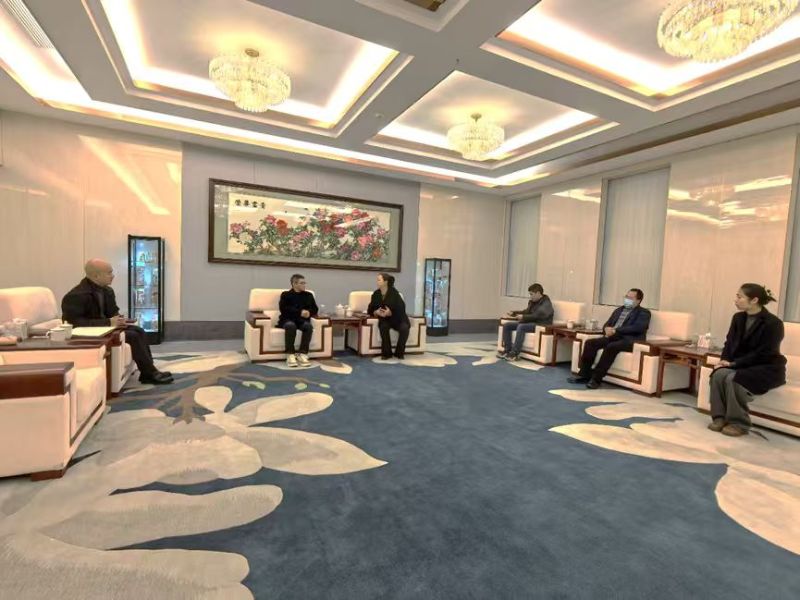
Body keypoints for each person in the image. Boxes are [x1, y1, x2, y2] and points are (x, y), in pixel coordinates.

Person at [62, 259, 173, 385]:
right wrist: (108, 322)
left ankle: (148, 371)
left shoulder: (108, 291)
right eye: (109, 273)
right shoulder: (76, 295)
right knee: (133, 336)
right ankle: (149, 373)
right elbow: (74, 323)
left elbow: (113, 312)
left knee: (139, 331)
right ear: (96, 276)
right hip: (89, 333)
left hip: (106, 328)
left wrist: (119, 320)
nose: (113, 276)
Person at [707, 284, 786, 437]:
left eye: (740, 297)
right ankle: (719, 418)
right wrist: (724, 360)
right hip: (742, 364)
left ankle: (739, 423)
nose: (735, 300)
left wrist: (734, 364)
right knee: (718, 374)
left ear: (754, 300)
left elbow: (765, 353)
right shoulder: (738, 318)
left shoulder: (773, 323)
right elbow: (729, 342)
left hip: (766, 367)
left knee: (734, 378)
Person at [568, 288, 650, 389]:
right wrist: (606, 329)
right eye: (626, 296)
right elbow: (607, 324)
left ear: (638, 300)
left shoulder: (644, 313)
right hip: (613, 336)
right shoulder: (619, 310)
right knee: (590, 343)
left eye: (630, 298)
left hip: (629, 340)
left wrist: (616, 330)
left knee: (611, 347)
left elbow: (638, 328)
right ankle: (584, 375)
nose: (627, 299)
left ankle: (596, 379)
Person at [498, 283, 554, 361]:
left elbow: (537, 315)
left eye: (531, 294)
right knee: (507, 325)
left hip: (540, 324)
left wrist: (523, 317)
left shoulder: (546, 303)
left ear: (538, 293)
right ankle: (507, 350)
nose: (530, 296)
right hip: (530, 322)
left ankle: (514, 353)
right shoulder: (532, 302)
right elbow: (526, 312)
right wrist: (515, 313)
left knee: (521, 327)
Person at [278, 274, 318, 368]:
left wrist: (309, 312)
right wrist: (300, 312)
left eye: (304, 283)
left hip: (302, 321)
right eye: (302, 283)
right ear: (294, 284)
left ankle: (302, 354)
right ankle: (290, 354)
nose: (304, 285)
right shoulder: (285, 295)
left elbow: (315, 309)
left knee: (308, 326)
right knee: (290, 326)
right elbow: (284, 309)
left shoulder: (308, 295)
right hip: (288, 319)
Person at [368, 273, 410, 360]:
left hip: (397, 318)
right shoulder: (376, 294)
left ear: (385, 282)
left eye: (379, 280)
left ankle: (399, 353)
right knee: (383, 327)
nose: (377, 282)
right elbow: (370, 309)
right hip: (384, 319)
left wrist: (390, 313)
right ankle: (387, 353)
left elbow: (401, 308)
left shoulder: (394, 293)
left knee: (404, 328)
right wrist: (376, 312)